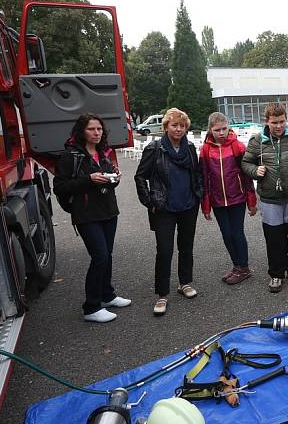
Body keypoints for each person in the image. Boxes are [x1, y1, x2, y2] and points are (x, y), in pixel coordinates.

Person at [53, 113, 130, 323]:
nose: (96, 133)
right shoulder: (71, 156)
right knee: (100, 257)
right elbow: (59, 187)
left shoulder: (103, 153)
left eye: (99, 129)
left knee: (108, 255)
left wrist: (114, 178)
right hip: (86, 215)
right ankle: (91, 307)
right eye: (91, 129)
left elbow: (106, 182)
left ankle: (107, 296)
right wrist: (88, 179)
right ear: (81, 131)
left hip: (108, 211)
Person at [134, 108, 203, 316]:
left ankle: (185, 283)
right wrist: (150, 201)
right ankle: (162, 294)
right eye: (174, 125)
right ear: (166, 127)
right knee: (164, 251)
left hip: (188, 205)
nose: (179, 129)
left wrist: (198, 194)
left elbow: (196, 173)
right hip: (164, 208)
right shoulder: (155, 148)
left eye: (182, 125)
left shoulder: (189, 147)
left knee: (186, 247)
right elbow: (140, 177)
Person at [242, 103, 288, 292]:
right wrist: (255, 170)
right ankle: (276, 274)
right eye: (275, 123)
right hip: (270, 199)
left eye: (282, 122)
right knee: (274, 238)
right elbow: (246, 162)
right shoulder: (257, 140)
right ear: (267, 121)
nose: (279, 126)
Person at [200, 112, 257, 285]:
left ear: (228, 127)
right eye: (217, 130)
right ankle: (237, 266)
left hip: (237, 198)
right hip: (217, 200)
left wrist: (251, 201)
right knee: (226, 234)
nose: (222, 133)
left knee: (237, 233)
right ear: (210, 130)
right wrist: (206, 205)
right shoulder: (206, 149)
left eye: (224, 128)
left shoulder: (238, 147)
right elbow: (203, 178)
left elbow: (247, 176)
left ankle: (244, 267)